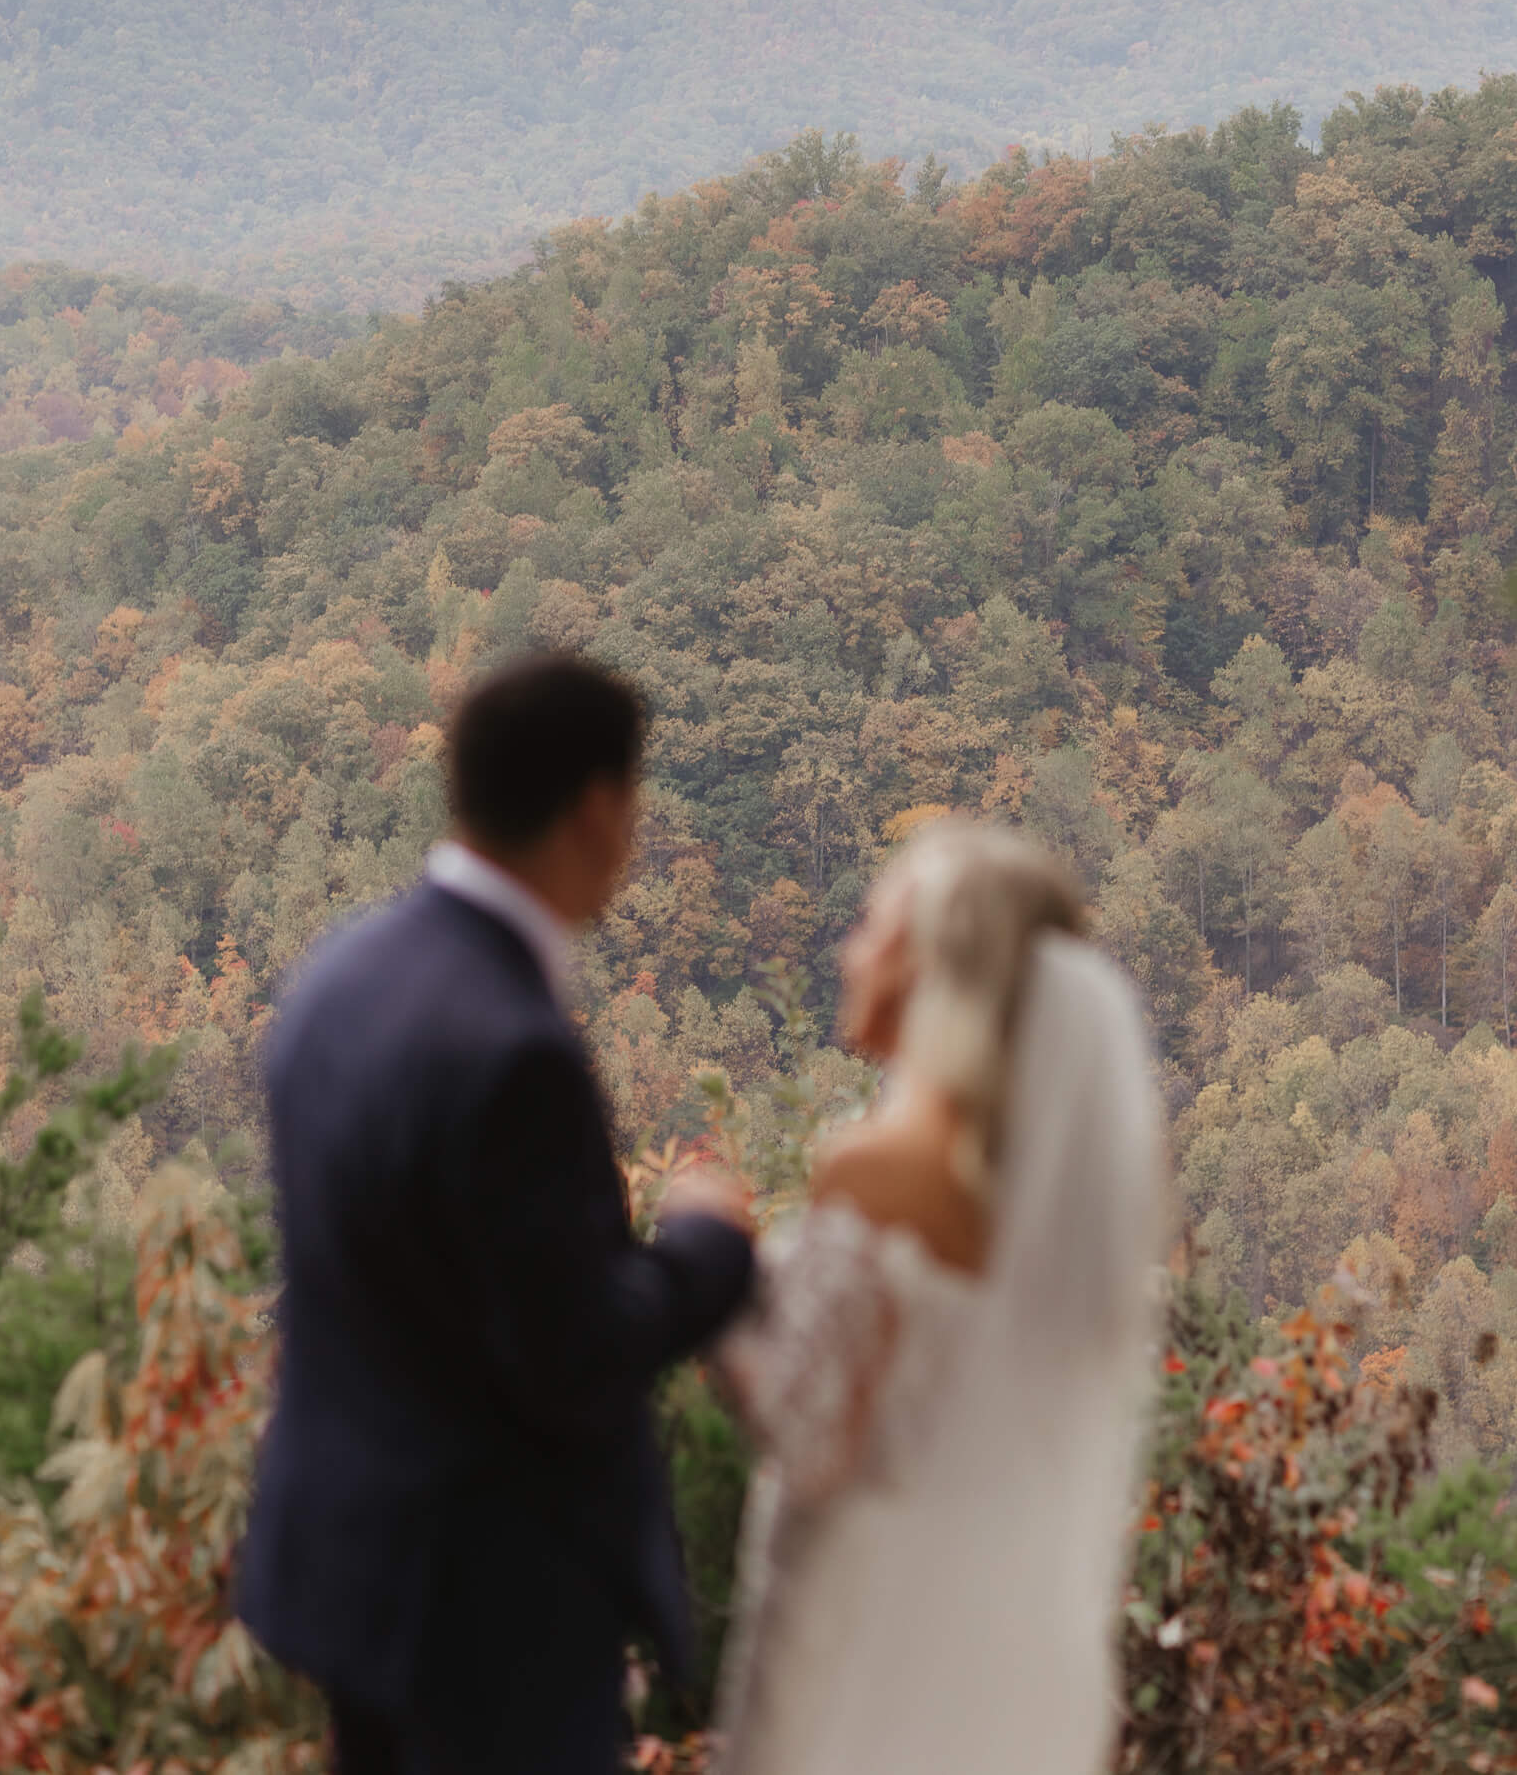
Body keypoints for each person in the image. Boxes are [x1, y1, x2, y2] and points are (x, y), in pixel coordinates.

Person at [240, 653, 756, 1775]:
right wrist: (705, 1245)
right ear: (596, 808)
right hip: (487, 1597)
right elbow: (572, 1345)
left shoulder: (338, 975)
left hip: (349, 1567)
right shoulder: (512, 1050)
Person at [716, 820, 1162, 1775]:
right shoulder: (1049, 1216)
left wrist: (713, 1258)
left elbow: (805, 1425)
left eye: (871, 926)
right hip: (996, 1639)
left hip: (853, 1620)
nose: (849, 950)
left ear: (930, 969)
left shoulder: (875, 1169)